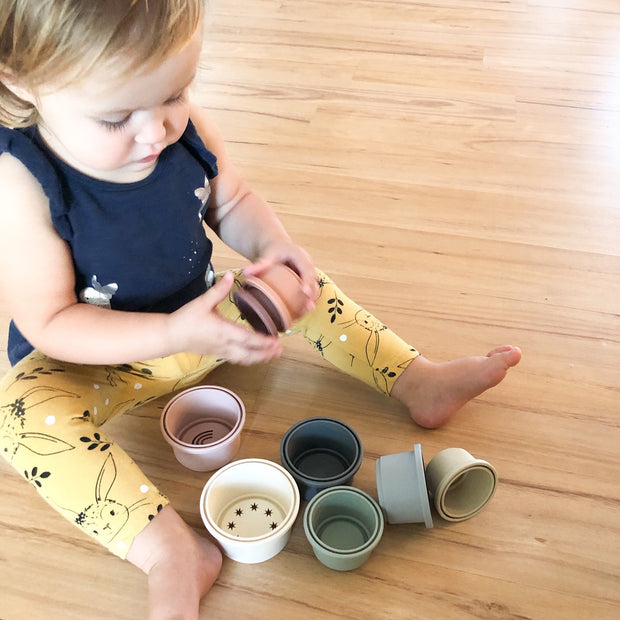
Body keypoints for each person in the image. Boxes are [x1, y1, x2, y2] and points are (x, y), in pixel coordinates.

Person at [0, 1, 521, 618]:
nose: (158, 131)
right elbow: (52, 323)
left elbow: (233, 199)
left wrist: (275, 249)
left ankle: (417, 380)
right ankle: (170, 551)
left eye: (176, 93)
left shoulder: (184, 129)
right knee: (19, 418)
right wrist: (168, 332)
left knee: (300, 283)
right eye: (116, 118)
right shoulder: (22, 183)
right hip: (101, 359)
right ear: (20, 82)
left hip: (209, 318)